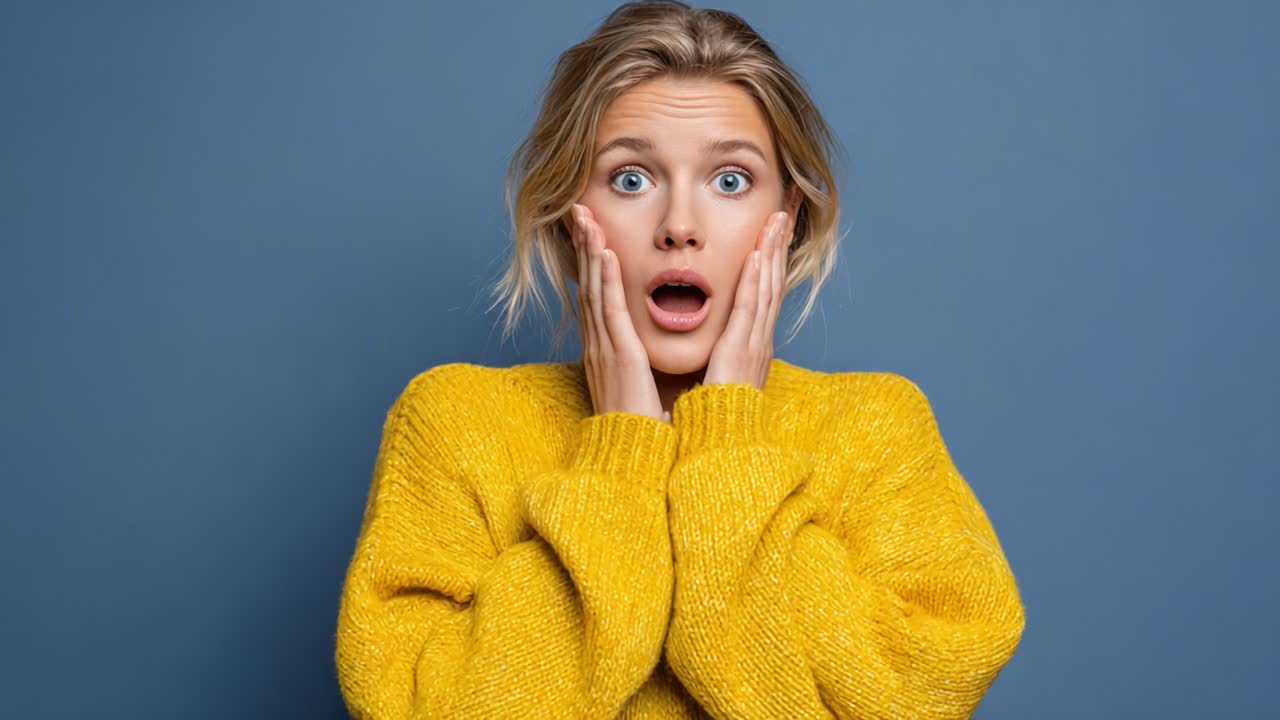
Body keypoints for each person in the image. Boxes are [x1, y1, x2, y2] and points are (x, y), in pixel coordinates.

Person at [333, 2, 1026, 718]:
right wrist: (618, 458)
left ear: (786, 220)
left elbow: (913, 698)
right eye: (631, 179)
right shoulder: (456, 423)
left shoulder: (876, 428)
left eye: (730, 180)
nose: (680, 228)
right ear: (571, 214)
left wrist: (726, 442)